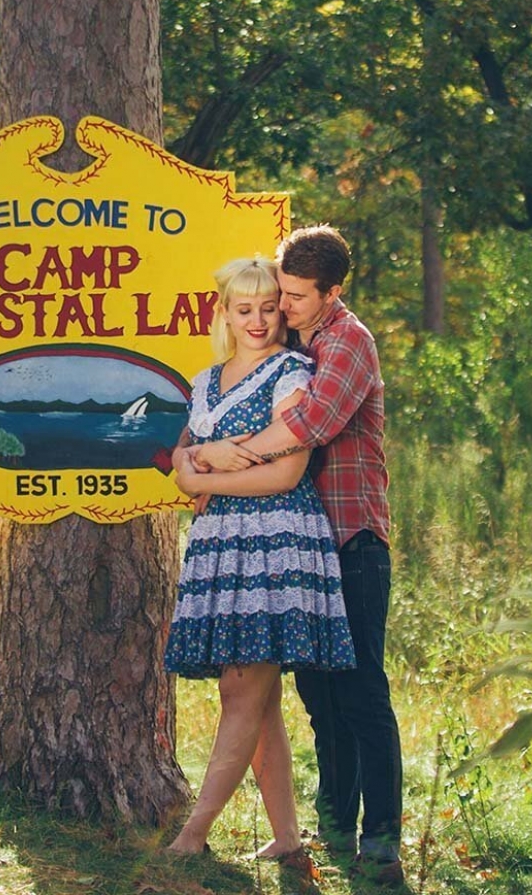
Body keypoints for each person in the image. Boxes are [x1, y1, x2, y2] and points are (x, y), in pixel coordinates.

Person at [191, 226, 404, 886]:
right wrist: (191, 457)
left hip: (352, 537)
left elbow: (307, 426)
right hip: (303, 547)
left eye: (293, 296)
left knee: (361, 688)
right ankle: (331, 824)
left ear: (331, 292)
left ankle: (381, 838)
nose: (280, 306)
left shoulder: (346, 342)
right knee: (317, 693)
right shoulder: (292, 339)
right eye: (276, 293)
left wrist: (224, 458)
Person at [164, 256, 355, 868]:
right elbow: (181, 475)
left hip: (278, 541)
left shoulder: (291, 371)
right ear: (225, 312)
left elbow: (289, 470)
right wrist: (202, 465)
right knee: (259, 695)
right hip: (222, 544)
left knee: (240, 686)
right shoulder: (205, 381)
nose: (258, 320)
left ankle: (192, 834)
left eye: (269, 308)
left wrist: (209, 470)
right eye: (244, 309)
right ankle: (290, 839)